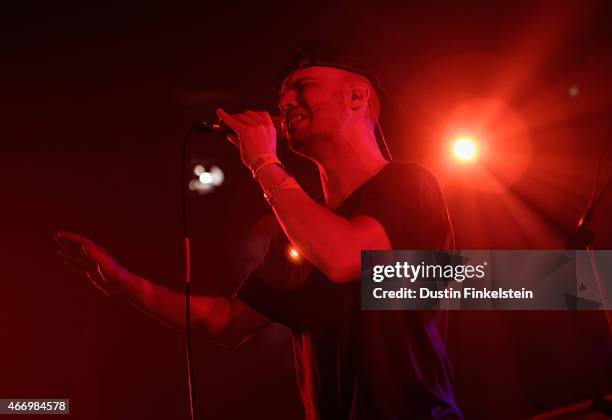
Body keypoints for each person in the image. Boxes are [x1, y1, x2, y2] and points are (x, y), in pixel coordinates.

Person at [56, 46, 462, 419]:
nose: (284, 103)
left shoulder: (410, 184)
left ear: (356, 96)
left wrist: (264, 162)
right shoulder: (299, 231)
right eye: (283, 95)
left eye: (302, 87)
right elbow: (228, 322)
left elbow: (344, 258)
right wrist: (124, 284)